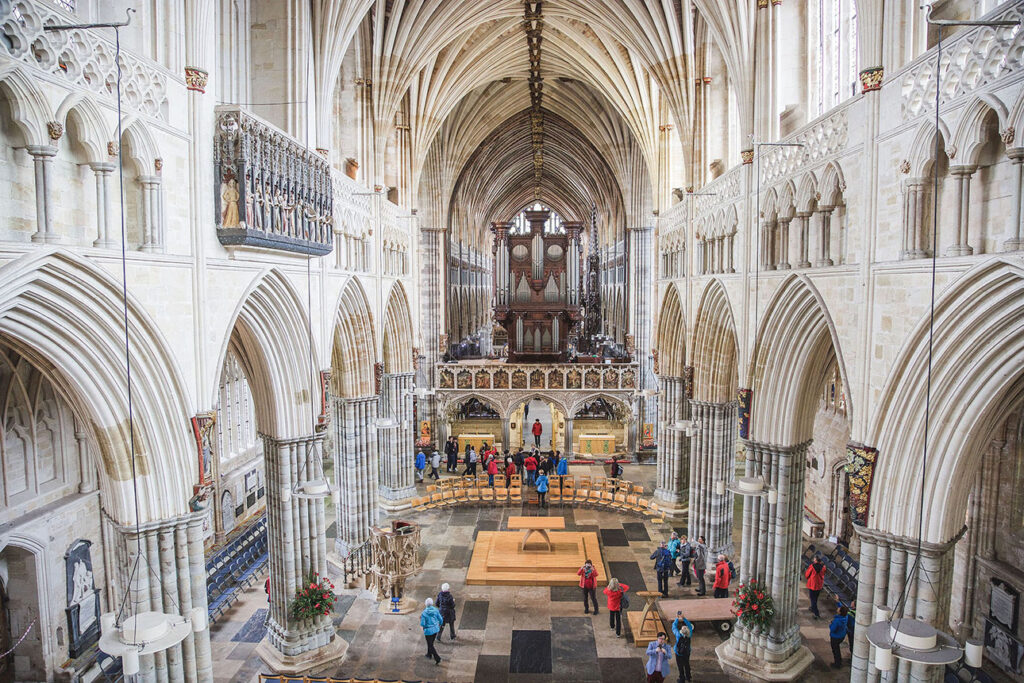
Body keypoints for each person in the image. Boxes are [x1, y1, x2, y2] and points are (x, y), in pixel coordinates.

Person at [670, 611, 693, 682]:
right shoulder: (690, 634)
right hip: (687, 652)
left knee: (680, 666)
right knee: (686, 664)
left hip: (679, 653)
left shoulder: (678, 635)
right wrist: (684, 618)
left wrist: (677, 618)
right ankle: (688, 677)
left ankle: (682, 679)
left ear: (681, 631)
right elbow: (689, 625)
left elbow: (674, 626)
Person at [420, 598, 443, 665]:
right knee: (431, 643)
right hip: (435, 629)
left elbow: (423, 624)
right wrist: (440, 624)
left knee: (430, 645)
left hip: (428, 631)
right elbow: (440, 619)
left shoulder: (424, 613)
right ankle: (429, 654)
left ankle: (437, 658)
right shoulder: (436, 610)